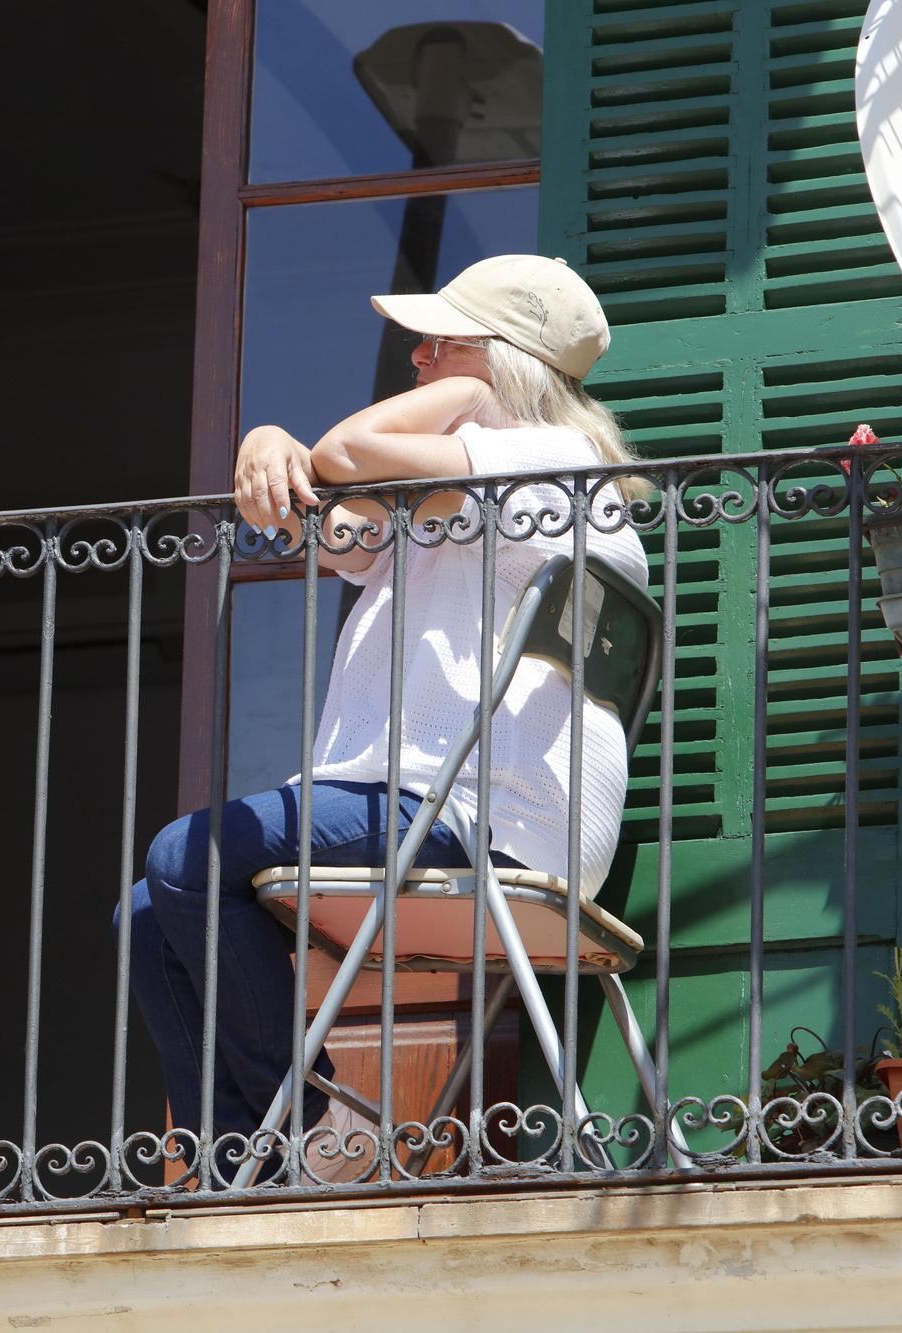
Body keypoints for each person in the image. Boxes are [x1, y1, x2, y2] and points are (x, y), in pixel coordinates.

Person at [121, 254, 651, 1172]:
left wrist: (458, 395)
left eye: (434, 345)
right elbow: (331, 521)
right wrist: (267, 443)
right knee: (147, 907)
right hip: (436, 807)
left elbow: (350, 451)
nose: (413, 360)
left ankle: (305, 1118)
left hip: (484, 813)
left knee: (186, 857)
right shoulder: (469, 492)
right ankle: (241, 1160)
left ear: (496, 362)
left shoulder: (552, 463)